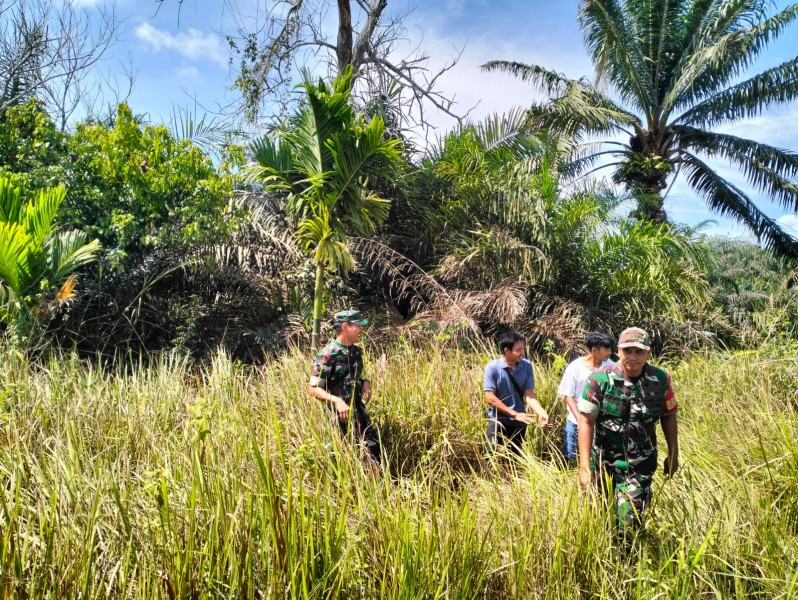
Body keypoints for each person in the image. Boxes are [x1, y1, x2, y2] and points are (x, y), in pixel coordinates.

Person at [577, 327, 679, 531]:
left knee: (627, 520)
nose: (632, 357)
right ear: (618, 351)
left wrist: (673, 453)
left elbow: (669, 416)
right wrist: (584, 467)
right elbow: (586, 421)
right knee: (600, 516)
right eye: (627, 351)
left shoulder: (660, 379)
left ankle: (625, 560)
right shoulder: (600, 379)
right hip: (603, 462)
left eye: (639, 351)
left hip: (639, 464)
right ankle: (604, 557)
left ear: (648, 353)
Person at [307, 309, 380, 463]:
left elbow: (355, 377)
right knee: (344, 456)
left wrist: (365, 383)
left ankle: (379, 481)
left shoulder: (356, 351)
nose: (361, 330)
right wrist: (337, 401)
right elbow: (313, 389)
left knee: (374, 450)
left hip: (359, 410)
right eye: (358, 326)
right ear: (346, 326)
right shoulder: (327, 355)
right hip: (339, 416)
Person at [484, 331, 549, 454]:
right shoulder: (492, 368)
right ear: (506, 351)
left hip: (519, 422)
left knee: (515, 458)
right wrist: (514, 414)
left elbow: (529, 394)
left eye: (523, 348)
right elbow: (490, 398)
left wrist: (541, 412)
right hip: (498, 420)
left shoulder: (526, 366)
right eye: (518, 350)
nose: (522, 352)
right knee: (491, 454)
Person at [557, 332, 615, 462]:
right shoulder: (575, 367)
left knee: (596, 458)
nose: (609, 352)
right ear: (594, 350)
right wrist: (579, 418)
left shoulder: (611, 367)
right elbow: (568, 395)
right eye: (606, 349)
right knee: (570, 457)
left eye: (610, 348)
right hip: (575, 421)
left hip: (600, 422)